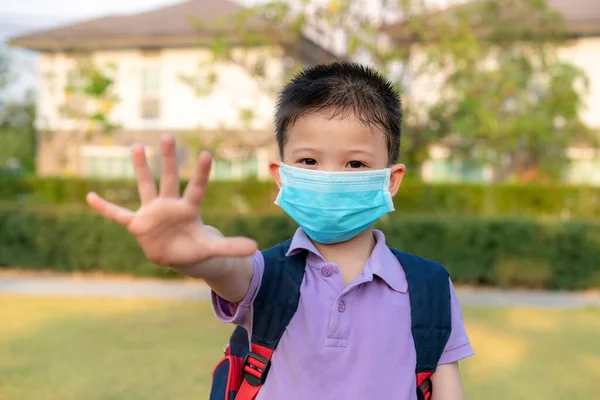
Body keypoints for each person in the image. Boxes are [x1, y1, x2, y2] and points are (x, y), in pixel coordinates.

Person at [87, 62, 474, 399]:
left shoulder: (429, 287)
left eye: (355, 164)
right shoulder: (265, 275)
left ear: (390, 180)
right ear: (281, 174)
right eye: (308, 160)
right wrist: (201, 257)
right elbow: (229, 270)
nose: (329, 178)